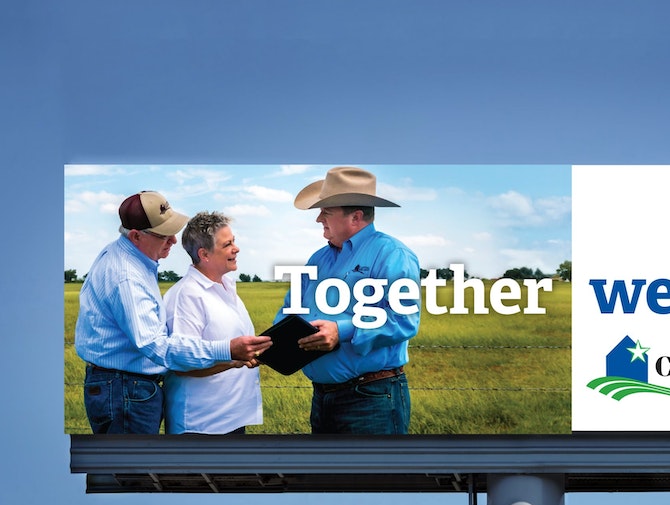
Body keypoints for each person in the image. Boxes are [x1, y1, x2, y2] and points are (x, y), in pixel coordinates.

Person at [75, 191, 272, 434]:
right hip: (125, 388)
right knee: (131, 460)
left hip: (125, 386)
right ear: (136, 236)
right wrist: (229, 351)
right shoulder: (127, 276)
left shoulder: (127, 257)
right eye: (163, 235)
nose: (173, 240)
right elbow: (158, 346)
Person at [275, 167, 420, 434]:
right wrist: (273, 344)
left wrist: (340, 331)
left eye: (326, 211)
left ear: (355, 217)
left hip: (371, 399)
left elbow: (404, 320)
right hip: (322, 398)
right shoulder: (318, 259)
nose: (318, 218)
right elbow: (290, 309)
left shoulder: (392, 254)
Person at [163, 212, 263, 434]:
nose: (236, 249)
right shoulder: (187, 295)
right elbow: (181, 364)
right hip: (201, 426)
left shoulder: (227, 287)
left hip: (232, 419)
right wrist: (234, 359)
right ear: (204, 254)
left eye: (234, 241)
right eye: (228, 244)